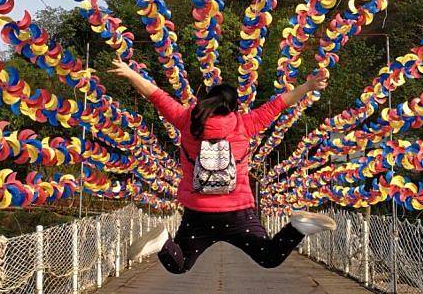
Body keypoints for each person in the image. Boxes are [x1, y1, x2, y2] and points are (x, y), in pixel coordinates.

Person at [110, 60, 336, 274]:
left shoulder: (187, 120)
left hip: (198, 213)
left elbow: (156, 95)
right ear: (233, 106)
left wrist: (130, 73)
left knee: (179, 264)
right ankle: (297, 228)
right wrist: (308, 85)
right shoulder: (244, 123)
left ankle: (162, 242)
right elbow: (279, 104)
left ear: (208, 100)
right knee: (269, 257)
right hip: (238, 213)